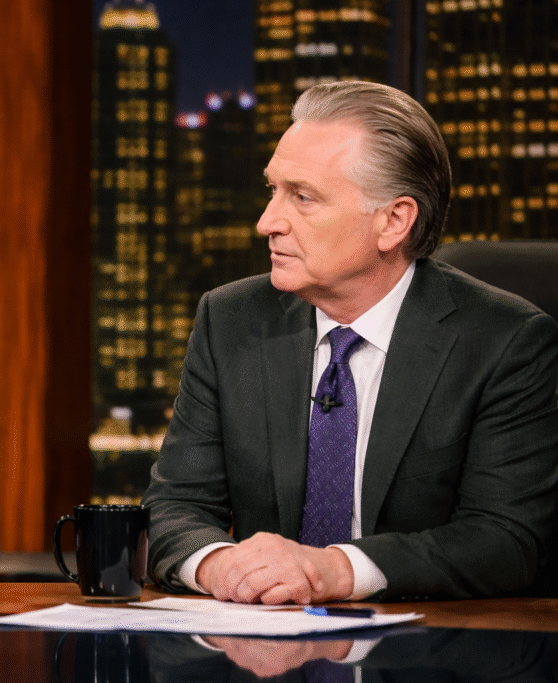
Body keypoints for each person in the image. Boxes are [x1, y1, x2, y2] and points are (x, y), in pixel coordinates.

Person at [142, 81, 558, 604]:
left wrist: (336, 571)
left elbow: (504, 540)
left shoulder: (505, 343)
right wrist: (219, 566)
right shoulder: (231, 321)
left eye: (303, 197)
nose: (267, 222)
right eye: (272, 191)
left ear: (393, 221)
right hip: (265, 649)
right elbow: (174, 506)